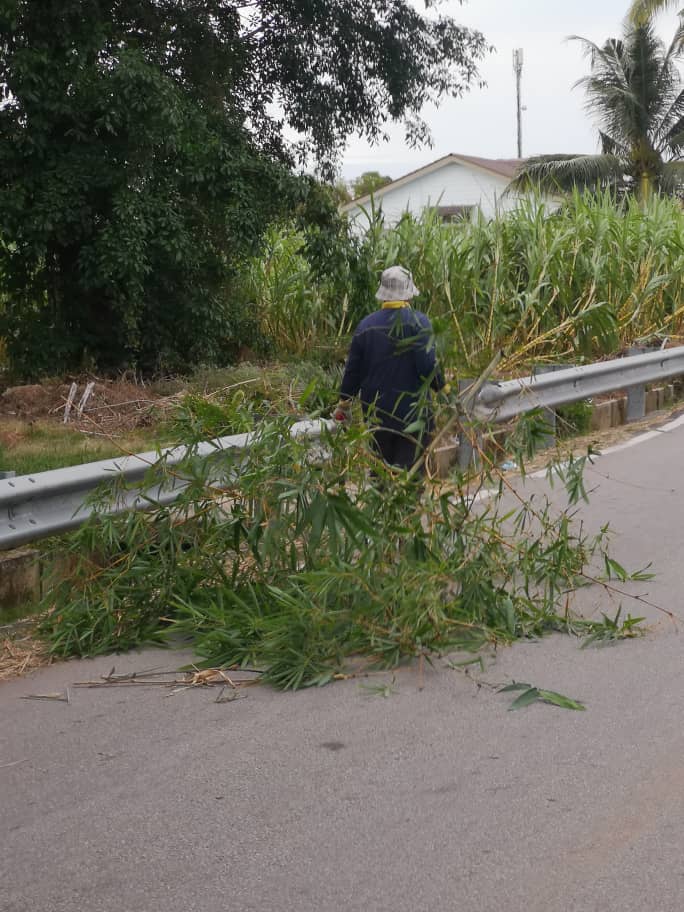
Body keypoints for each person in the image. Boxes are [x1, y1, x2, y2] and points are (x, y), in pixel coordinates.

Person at [334, 265, 445, 472]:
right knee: (409, 479)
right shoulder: (419, 323)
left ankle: (383, 501)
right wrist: (444, 389)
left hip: (377, 417)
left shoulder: (365, 326)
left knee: (382, 476)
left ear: (383, 294)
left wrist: (344, 403)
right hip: (414, 417)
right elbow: (428, 367)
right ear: (408, 293)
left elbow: (353, 372)